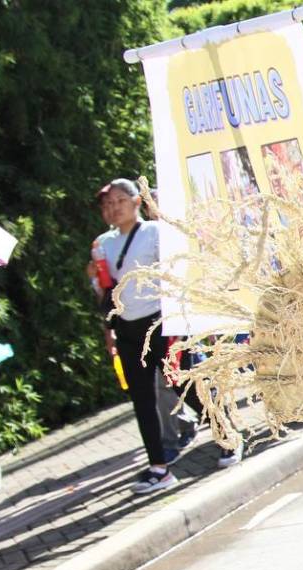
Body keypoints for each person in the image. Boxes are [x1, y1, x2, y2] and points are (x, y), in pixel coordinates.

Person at [100, 179, 236, 493]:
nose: (113, 208)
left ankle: (227, 434)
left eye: (120, 200)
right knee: (142, 400)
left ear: (137, 202)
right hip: (126, 328)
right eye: (107, 204)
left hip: (160, 323)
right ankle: (158, 468)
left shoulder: (155, 232)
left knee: (184, 384)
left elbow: (179, 269)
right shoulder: (103, 244)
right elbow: (106, 291)